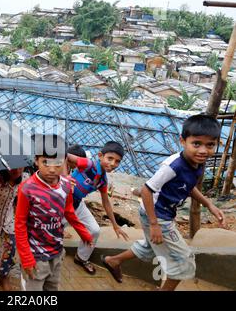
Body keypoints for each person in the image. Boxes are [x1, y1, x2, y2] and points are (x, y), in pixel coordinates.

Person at [101, 115, 227, 291]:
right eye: (196, 144)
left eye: (210, 145)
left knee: (151, 247)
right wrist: (154, 224)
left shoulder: (197, 162)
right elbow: (146, 190)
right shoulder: (173, 166)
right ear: (183, 141)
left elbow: (188, 186)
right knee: (183, 260)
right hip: (158, 216)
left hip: (159, 213)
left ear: (216, 144)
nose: (203, 150)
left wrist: (209, 205)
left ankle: (113, 261)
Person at [15, 134, 93, 291]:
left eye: (57, 162)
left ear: (64, 161)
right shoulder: (27, 188)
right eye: (45, 162)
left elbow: (69, 212)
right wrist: (26, 257)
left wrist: (84, 233)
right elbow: (20, 224)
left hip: (56, 251)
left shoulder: (66, 185)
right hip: (35, 255)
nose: (51, 169)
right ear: (36, 160)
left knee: (52, 288)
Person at [65, 142, 130, 275]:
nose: (112, 164)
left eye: (117, 161)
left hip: (77, 204)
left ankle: (81, 258)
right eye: (110, 158)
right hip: (63, 203)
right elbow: (64, 155)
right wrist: (64, 176)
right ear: (100, 156)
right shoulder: (89, 165)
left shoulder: (103, 180)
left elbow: (106, 202)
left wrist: (115, 225)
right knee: (50, 232)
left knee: (94, 230)